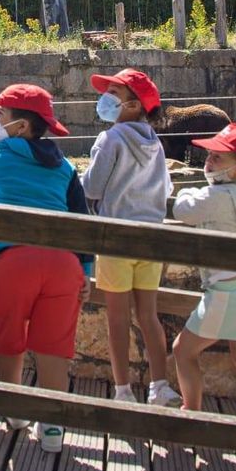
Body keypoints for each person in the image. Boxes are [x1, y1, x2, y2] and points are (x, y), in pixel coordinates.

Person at [0, 83, 93, 453]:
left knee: (10, 336)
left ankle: (14, 409)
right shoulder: (66, 168)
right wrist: (86, 271)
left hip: (12, 261)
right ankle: (53, 426)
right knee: (54, 345)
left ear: (21, 126)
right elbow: (81, 219)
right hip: (63, 263)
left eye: (1, 116)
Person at [81, 69, 180, 407]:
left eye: (113, 93)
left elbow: (92, 187)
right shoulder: (155, 143)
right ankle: (160, 385)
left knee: (118, 317)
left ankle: (122, 390)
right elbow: (166, 189)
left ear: (134, 105)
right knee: (149, 315)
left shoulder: (110, 140)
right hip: (151, 238)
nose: (106, 98)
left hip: (116, 238)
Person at [170, 123, 236, 419]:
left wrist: (187, 193)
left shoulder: (218, 196)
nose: (209, 163)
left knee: (182, 350)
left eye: (217, 158)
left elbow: (183, 211)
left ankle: (192, 413)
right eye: (210, 156)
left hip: (229, 289)